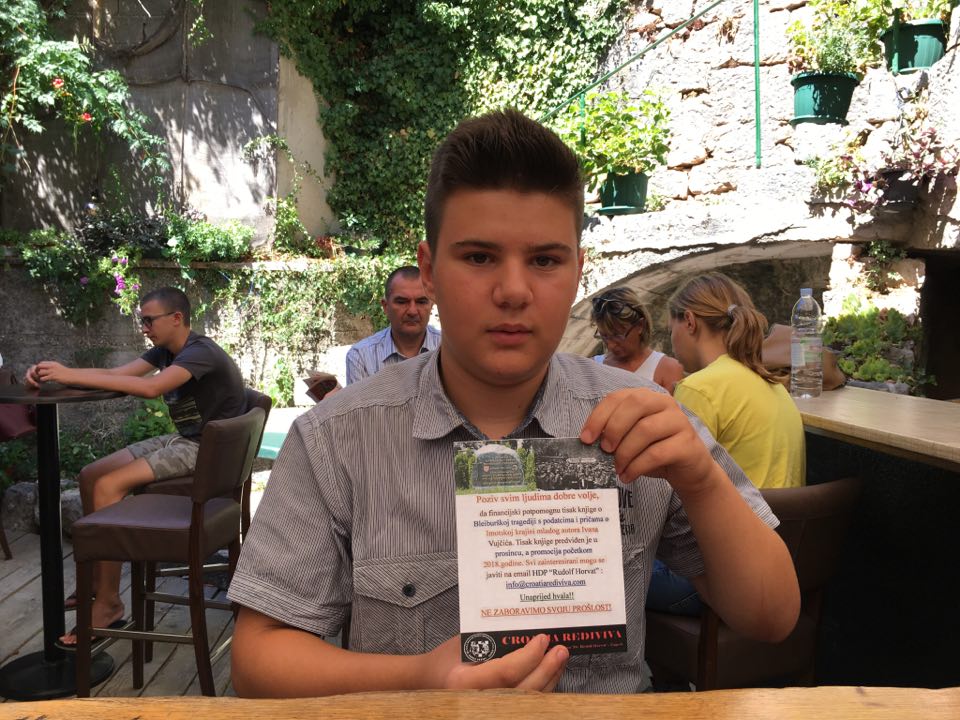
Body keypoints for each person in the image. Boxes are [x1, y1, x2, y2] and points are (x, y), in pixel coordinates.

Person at [227, 110, 799, 697]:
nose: (513, 291)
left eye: (545, 260)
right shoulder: (337, 440)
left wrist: (701, 481)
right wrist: (421, 680)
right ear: (430, 271)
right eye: (479, 257)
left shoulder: (646, 420)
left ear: (578, 271)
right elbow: (255, 658)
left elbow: (772, 616)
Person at [24, 286, 246, 646]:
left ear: (177, 318)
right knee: (91, 475)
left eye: (149, 320)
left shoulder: (200, 352)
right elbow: (118, 373)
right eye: (142, 321)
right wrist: (58, 373)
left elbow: (151, 388)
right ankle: (98, 582)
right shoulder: (165, 350)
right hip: (186, 438)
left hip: (207, 450)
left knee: (108, 486)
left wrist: (68, 375)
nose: (144, 327)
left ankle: (109, 603)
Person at [646, 273, 805, 617]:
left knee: (607, 570)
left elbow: (662, 498)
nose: (671, 342)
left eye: (671, 329)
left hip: (723, 577)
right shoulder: (772, 384)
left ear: (689, 321)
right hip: (776, 569)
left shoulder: (700, 388)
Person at [344, 266, 441, 384]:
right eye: (402, 302)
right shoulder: (361, 357)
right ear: (385, 306)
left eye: (421, 302)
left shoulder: (450, 349)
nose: (412, 311)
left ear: (431, 305)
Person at [590, 286, 684, 394]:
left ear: (640, 325)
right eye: (604, 336)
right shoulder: (592, 367)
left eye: (618, 335)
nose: (611, 345)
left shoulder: (668, 369)